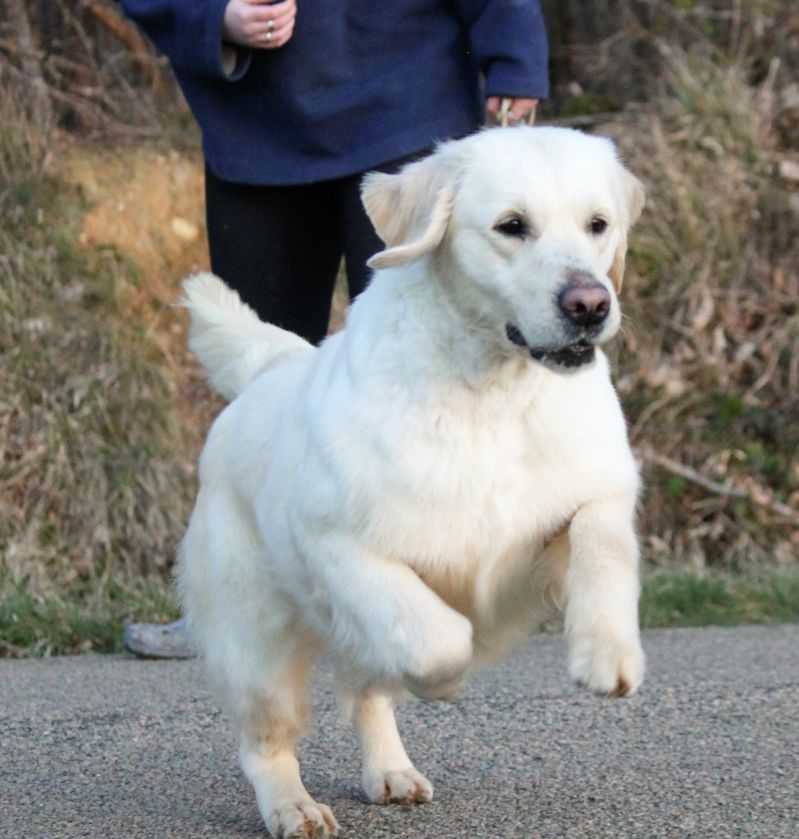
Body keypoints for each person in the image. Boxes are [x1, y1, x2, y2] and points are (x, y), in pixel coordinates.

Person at [119, 0, 549, 657]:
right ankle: (237, 602)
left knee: (422, 369)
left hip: (412, 110)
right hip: (255, 133)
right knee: (259, 388)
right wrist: (213, 19)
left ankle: (437, 586)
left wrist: (516, 59)